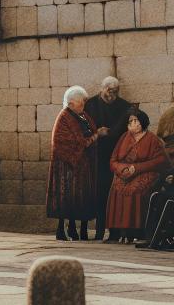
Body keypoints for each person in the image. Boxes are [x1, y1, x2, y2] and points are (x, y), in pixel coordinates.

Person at [105, 109, 166, 244]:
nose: (133, 124)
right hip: (124, 172)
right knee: (116, 187)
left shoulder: (152, 139)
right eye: (130, 121)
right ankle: (116, 232)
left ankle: (135, 231)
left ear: (143, 122)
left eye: (136, 120)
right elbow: (113, 160)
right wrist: (122, 169)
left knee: (135, 190)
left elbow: (160, 160)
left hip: (144, 172)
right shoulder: (124, 137)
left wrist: (137, 168)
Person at [47, 86, 99, 241]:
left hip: (83, 164)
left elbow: (90, 132)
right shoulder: (63, 117)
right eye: (81, 103)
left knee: (82, 196)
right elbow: (60, 141)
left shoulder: (83, 116)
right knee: (65, 196)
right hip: (66, 165)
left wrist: (91, 139)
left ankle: (79, 229)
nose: (83, 106)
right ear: (70, 103)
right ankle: (61, 229)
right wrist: (89, 140)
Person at [84, 76, 132, 242]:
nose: (112, 94)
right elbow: (83, 128)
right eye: (109, 91)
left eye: (115, 91)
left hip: (117, 156)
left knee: (115, 194)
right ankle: (99, 229)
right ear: (102, 89)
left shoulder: (124, 106)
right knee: (99, 193)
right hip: (96, 157)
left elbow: (125, 128)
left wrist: (110, 133)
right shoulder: (90, 105)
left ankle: (115, 231)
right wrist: (97, 133)